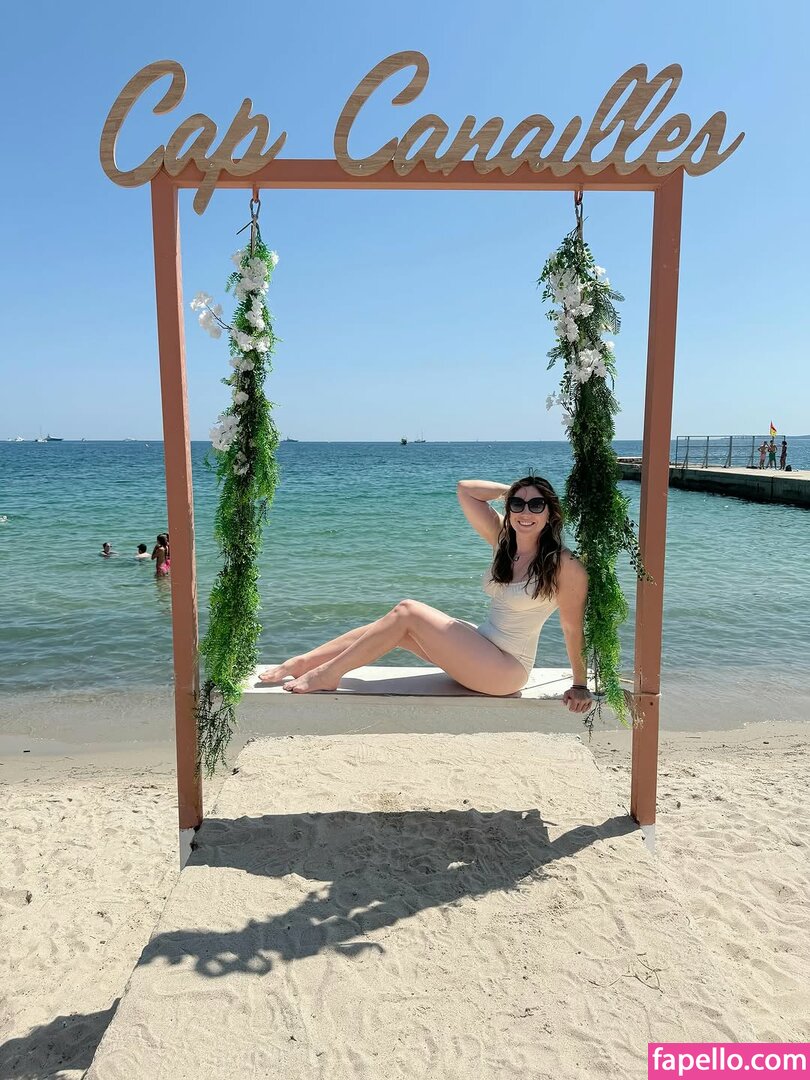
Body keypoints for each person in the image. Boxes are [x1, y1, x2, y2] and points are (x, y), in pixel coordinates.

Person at [259, 476, 592, 712]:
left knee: (408, 611)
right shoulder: (503, 542)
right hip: (484, 647)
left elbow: (572, 629)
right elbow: (466, 490)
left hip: (506, 670)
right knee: (396, 629)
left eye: (537, 505)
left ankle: (328, 674)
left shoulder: (564, 565)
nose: (525, 513)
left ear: (550, 513)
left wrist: (579, 685)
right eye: (518, 504)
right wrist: (514, 490)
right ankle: (304, 662)